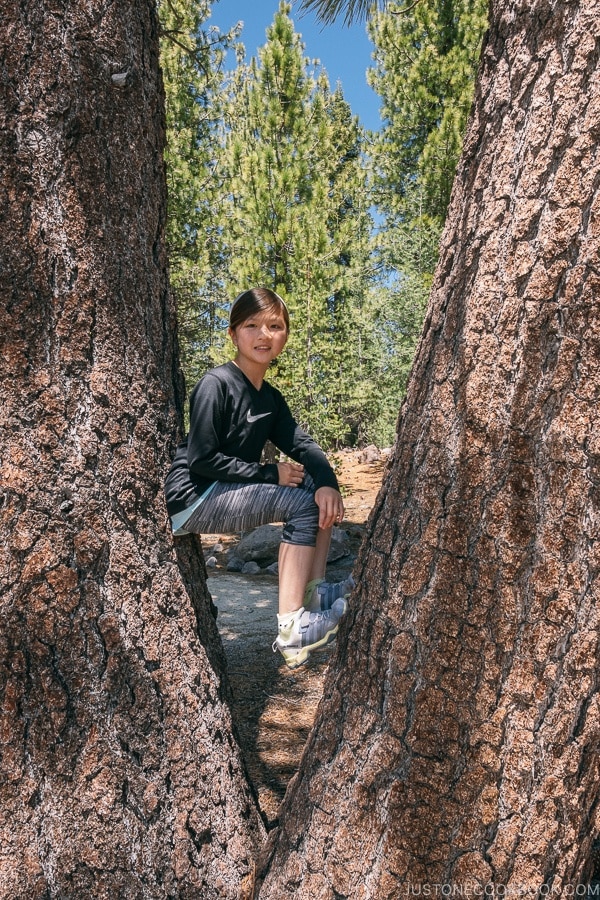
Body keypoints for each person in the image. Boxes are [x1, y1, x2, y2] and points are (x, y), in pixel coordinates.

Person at [164, 287, 353, 669]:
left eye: (274, 326)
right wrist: (270, 472)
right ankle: (291, 628)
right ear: (233, 334)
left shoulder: (270, 398)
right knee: (301, 502)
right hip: (195, 498)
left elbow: (303, 446)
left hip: (228, 491)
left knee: (316, 491)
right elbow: (201, 460)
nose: (263, 334)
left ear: (285, 336)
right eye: (251, 325)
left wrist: (330, 482)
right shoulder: (215, 384)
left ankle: (312, 598)